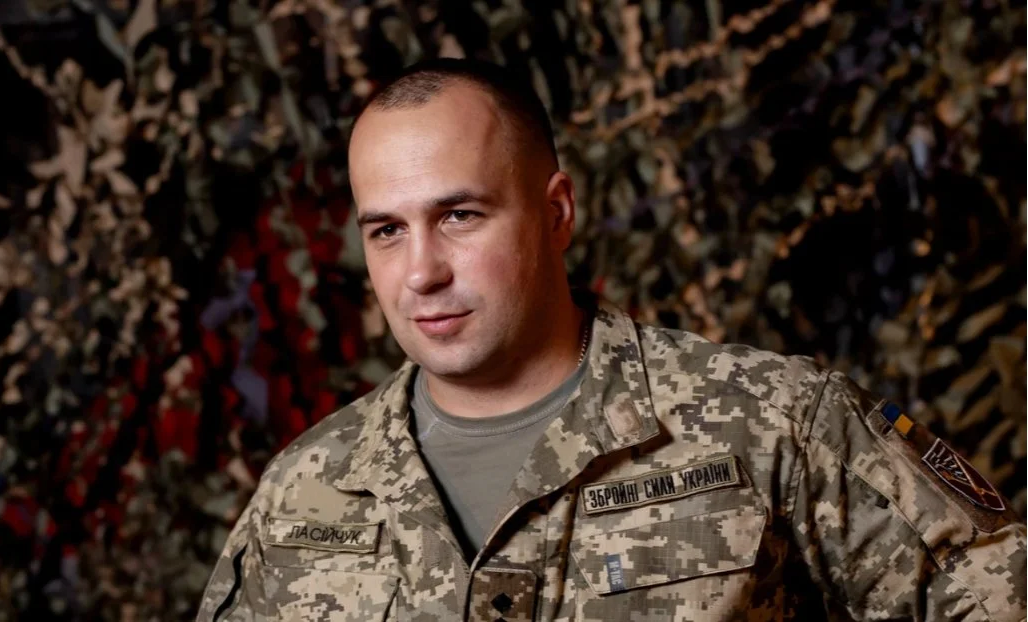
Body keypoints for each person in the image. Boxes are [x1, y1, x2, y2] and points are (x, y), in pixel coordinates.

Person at [196, 58, 1026, 621]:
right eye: (385, 230)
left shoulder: (773, 424)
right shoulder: (305, 490)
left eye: (459, 216)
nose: (420, 272)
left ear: (556, 212)